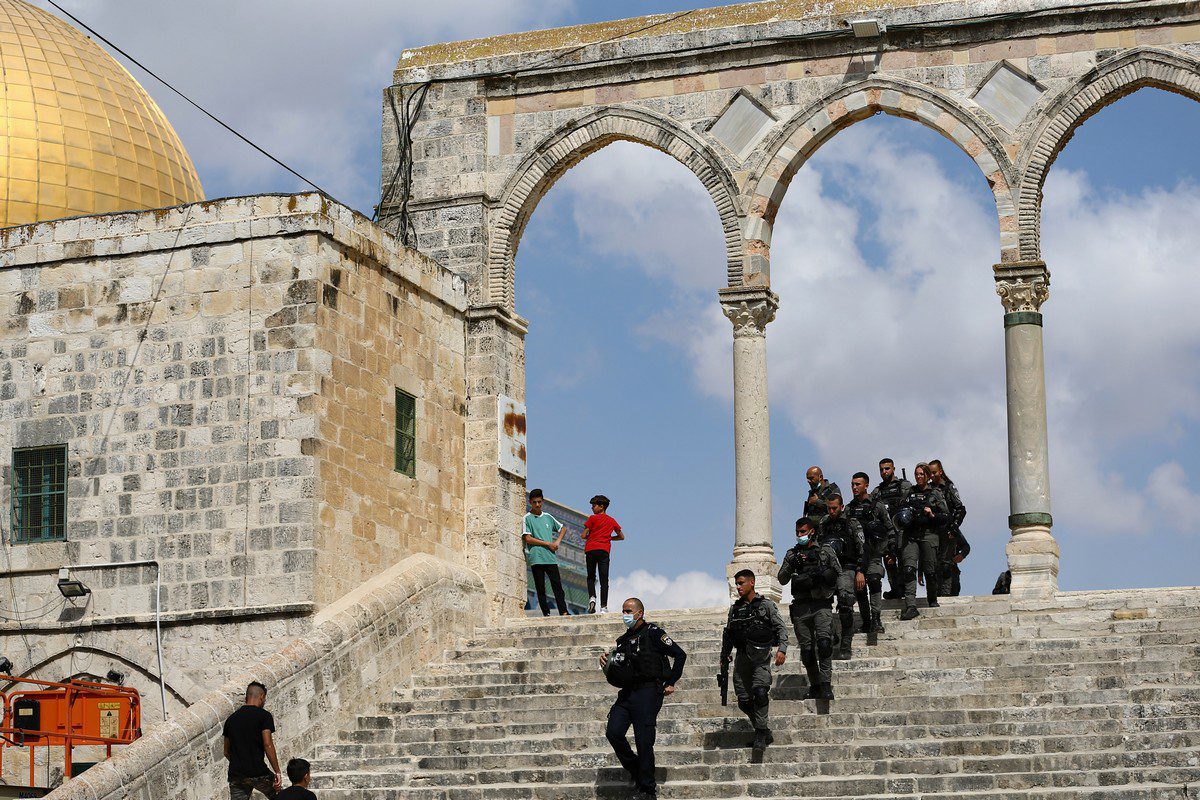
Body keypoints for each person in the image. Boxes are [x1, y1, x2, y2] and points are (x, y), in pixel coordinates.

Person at [600, 597, 687, 798]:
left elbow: (679, 655)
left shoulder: (654, 634)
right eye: (623, 611)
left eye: (628, 611)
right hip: (628, 693)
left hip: (649, 692)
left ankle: (648, 789)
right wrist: (606, 663)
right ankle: (638, 770)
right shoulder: (622, 641)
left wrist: (671, 682)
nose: (625, 615)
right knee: (613, 732)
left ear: (639, 613)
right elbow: (618, 672)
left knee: (643, 740)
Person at [720, 569, 788, 749]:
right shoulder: (735, 608)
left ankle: (759, 733)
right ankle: (764, 729)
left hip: (760, 656)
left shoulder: (766, 605)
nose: (738, 587)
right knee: (743, 700)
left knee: (760, 693)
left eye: (741, 583)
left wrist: (782, 649)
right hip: (742, 657)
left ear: (752, 583)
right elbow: (728, 633)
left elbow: (780, 628)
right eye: (736, 584)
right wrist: (724, 654)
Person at [778, 517, 841, 700]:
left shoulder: (825, 551)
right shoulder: (792, 554)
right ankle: (815, 685)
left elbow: (837, 573)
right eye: (797, 532)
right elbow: (781, 578)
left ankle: (826, 684)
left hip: (821, 604)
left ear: (811, 531)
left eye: (803, 532)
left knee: (824, 644)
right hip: (801, 606)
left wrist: (823, 575)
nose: (800, 535)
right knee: (807, 651)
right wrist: (793, 565)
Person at [895, 463, 949, 620]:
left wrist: (932, 515)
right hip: (911, 535)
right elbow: (900, 511)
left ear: (927, 475)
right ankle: (911, 606)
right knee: (909, 569)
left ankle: (932, 599)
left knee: (930, 571)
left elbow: (945, 517)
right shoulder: (909, 493)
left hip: (929, 534)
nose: (918, 477)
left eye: (921, 474)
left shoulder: (935, 493)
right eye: (916, 474)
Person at [845, 472, 895, 635]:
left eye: (857, 484)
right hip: (857, 555)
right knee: (859, 588)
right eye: (852, 484)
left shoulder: (877, 506)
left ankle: (876, 619)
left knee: (874, 581)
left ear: (866, 485)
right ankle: (866, 621)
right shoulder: (849, 508)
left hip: (874, 552)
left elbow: (889, 528)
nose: (854, 487)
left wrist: (889, 550)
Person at [817, 494, 865, 660]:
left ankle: (846, 642)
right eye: (829, 508)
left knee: (845, 602)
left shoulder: (851, 523)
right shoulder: (824, 523)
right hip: (828, 569)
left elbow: (861, 548)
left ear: (842, 507)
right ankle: (832, 634)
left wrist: (860, 571)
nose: (831, 511)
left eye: (834, 508)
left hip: (847, 567)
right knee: (822, 605)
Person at [223, 681, 282, 799]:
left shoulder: (230, 720)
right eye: (264, 699)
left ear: (246, 697)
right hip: (258, 772)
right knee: (279, 796)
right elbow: (268, 744)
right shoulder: (264, 716)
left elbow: (226, 752)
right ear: (261, 696)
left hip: (236, 775)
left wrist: (240, 764)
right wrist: (277, 772)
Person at [522, 488, 569, 616]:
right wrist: (547, 543)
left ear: (542, 501)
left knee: (557, 586)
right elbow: (528, 538)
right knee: (540, 588)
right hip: (536, 558)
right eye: (534, 502)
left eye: (539, 502)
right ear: (530, 502)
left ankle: (564, 612)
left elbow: (563, 528)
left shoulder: (548, 517)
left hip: (550, 558)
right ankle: (546, 613)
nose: (537, 505)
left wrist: (557, 542)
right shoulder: (527, 518)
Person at [870, 458, 912, 599]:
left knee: (904, 560)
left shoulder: (904, 486)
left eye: (887, 468)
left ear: (893, 469)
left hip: (903, 529)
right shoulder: (877, 491)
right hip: (887, 531)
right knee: (889, 561)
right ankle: (895, 589)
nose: (884, 472)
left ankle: (905, 588)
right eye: (881, 469)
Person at [929, 459, 968, 597]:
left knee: (946, 566)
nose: (932, 476)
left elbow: (960, 509)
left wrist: (954, 527)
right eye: (930, 473)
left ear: (940, 471)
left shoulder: (949, 487)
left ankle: (945, 595)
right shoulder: (928, 490)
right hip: (933, 532)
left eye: (934, 473)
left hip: (948, 530)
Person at [582, 494, 624, 614]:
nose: (592, 508)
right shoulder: (612, 520)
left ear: (601, 506)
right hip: (604, 550)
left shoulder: (592, 518)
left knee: (591, 577)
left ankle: (592, 598)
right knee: (604, 579)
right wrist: (609, 538)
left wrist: (592, 537)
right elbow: (622, 536)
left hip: (590, 549)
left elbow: (583, 535)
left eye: (594, 506)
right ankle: (604, 607)